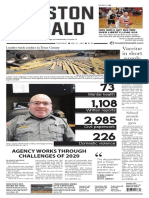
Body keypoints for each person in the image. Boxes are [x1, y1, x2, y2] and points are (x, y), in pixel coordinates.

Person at [6, 94, 75, 141]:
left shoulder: (61, 122)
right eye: (36, 103)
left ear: (51, 107)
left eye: (45, 103)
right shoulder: (15, 121)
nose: (41, 106)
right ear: (29, 106)